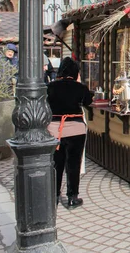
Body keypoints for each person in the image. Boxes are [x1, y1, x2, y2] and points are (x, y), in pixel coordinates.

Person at [46, 57, 93, 207]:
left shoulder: (50, 87)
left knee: (56, 163)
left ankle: (53, 196)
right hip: (76, 129)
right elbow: (88, 101)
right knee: (73, 164)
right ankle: (73, 197)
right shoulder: (80, 87)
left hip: (54, 129)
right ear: (76, 72)